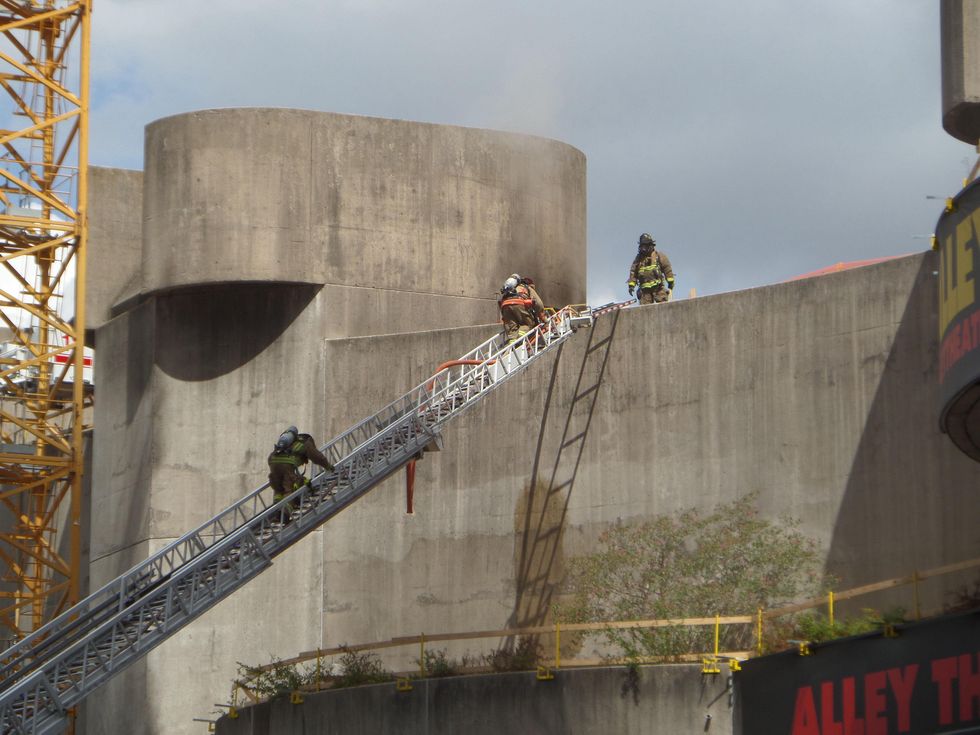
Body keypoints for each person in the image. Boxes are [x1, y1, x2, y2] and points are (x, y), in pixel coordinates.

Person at [267, 426, 335, 508]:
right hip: (287, 463)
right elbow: (317, 457)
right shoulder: (305, 443)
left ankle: (276, 507)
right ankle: (285, 512)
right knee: (289, 487)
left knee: (278, 485)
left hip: (273, 460)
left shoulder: (285, 444)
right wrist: (328, 466)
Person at [627, 233, 675, 304]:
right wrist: (631, 285)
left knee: (663, 306)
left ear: (650, 245)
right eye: (642, 246)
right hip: (645, 292)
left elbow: (667, 268)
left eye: (645, 246)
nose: (643, 249)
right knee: (645, 309)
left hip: (658, 288)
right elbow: (633, 272)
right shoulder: (638, 259)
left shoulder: (658, 255)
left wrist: (670, 281)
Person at [498, 273, 546, 343]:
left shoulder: (508, 289)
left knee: (512, 328)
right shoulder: (527, 287)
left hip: (505, 305)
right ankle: (520, 339)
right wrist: (544, 319)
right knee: (527, 323)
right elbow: (539, 304)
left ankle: (512, 343)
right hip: (518, 303)